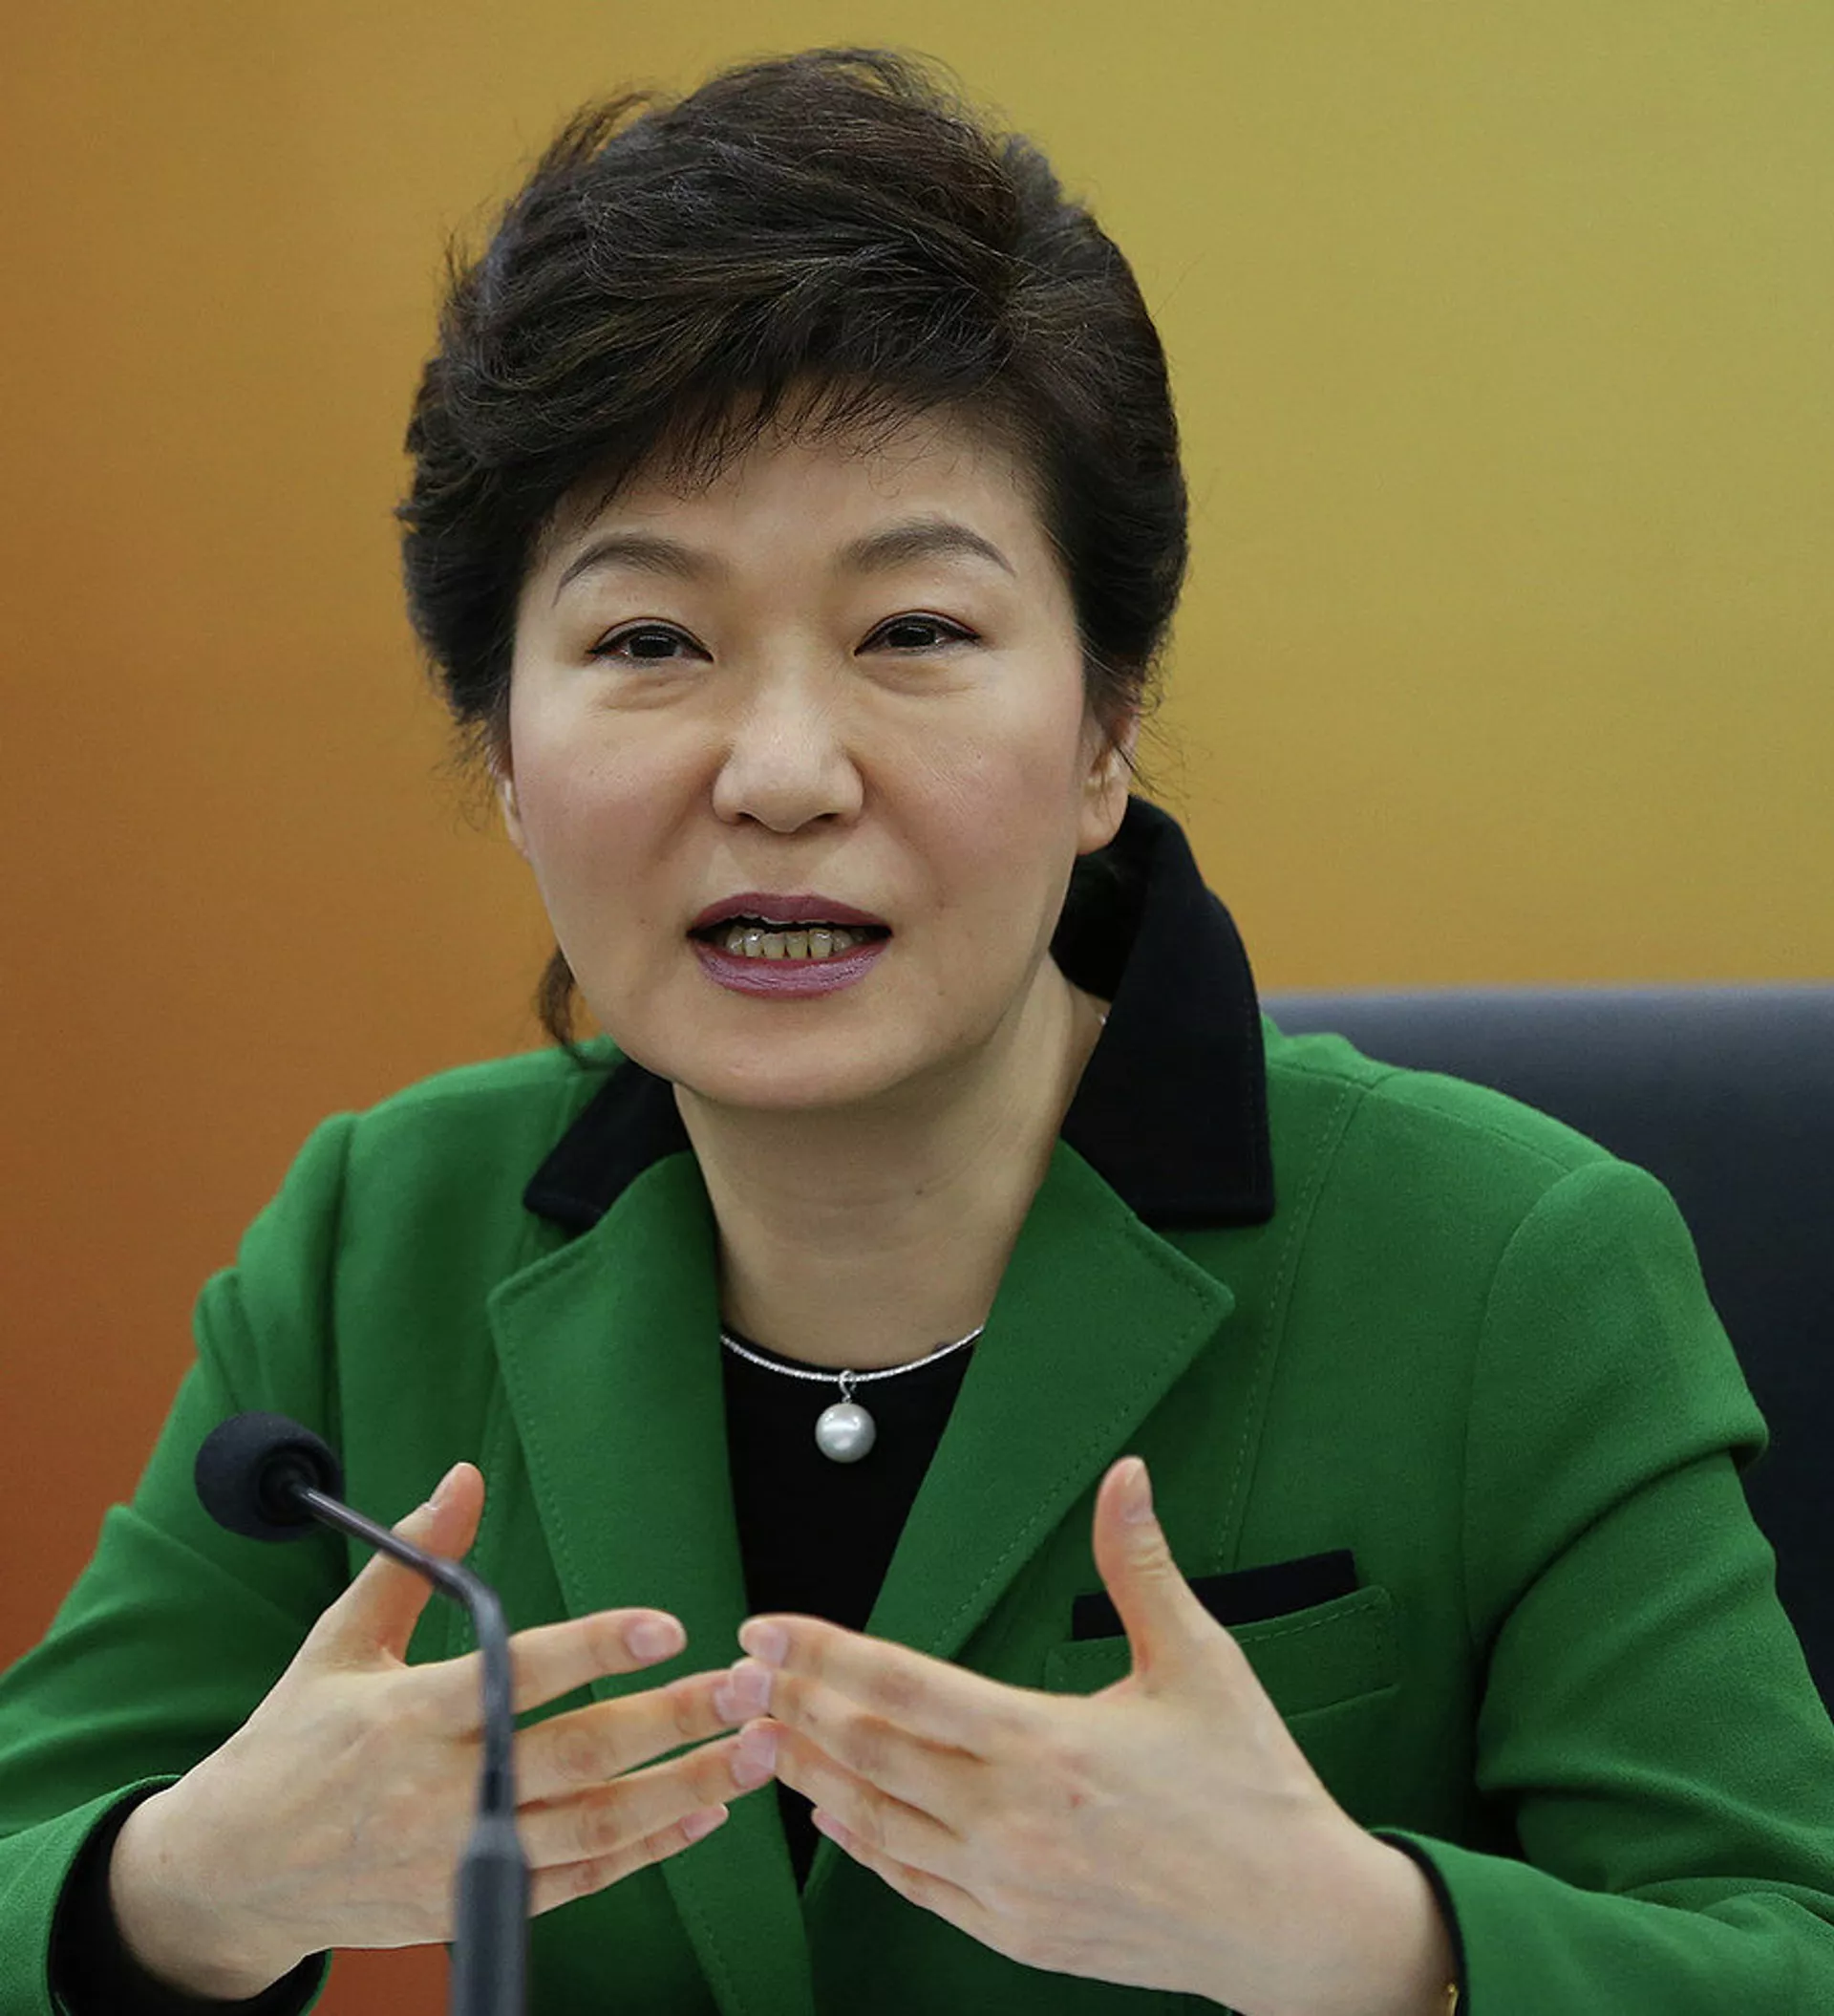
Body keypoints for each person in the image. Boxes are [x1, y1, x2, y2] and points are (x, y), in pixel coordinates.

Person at [3, 41, 1833, 2016]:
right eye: (647, 641)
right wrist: (190, 1884)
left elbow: (1780, 1951)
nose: (783, 771)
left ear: (1107, 726)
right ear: (508, 758)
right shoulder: (381, 1238)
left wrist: (1378, 1944)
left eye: (916, 633)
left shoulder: (1508, 1269)